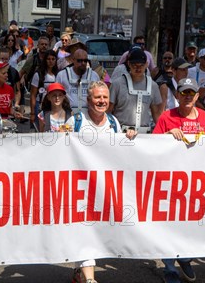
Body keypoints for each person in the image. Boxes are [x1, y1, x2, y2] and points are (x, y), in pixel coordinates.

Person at [152, 77, 205, 283]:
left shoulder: (204, 118)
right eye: (183, 93)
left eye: (191, 93)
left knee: (191, 225)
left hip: (196, 183)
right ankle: (170, 268)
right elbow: (151, 147)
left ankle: (185, 257)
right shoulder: (167, 117)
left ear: (197, 96)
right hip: (171, 181)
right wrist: (166, 134)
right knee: (169, 225)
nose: (188, 96)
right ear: (177, 95)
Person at [66, 81, 133, 283]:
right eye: (97, 97)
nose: (101, 101)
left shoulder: (114, 123)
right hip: (80, 189)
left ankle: (80, 273)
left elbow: (120, 156)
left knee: (97, 231)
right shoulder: (75, 121)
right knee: (84, 229)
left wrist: (129, 138)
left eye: (104, 97)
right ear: (88, 100)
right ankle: (89, 279)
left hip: (104, 189)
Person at [109, 47, 162, 133]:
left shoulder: (153, 86)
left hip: (144, 135)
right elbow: (109, 111)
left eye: (141, 65)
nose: (138, 68)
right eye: (134, 65)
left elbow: (156, 114)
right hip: (121, 133)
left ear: (146, 65)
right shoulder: (117, 84)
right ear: (129, 64)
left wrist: (163, 133)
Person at [55, 48, 100, 113]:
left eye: (85, 60)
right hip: (68, 113)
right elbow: (56, 95)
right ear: (73, 60)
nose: (83, 63)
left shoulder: (94, 76)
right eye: (79, 61)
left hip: (89, 114)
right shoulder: (62, 75)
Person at [30, 49, 58, 126]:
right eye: (48, 59)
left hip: (54, 105)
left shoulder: (58, 74)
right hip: (40, 106)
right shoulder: (38, 74)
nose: (51, 61)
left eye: (53, 59)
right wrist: (32, 113)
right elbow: (33, 95)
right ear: (45, 60)